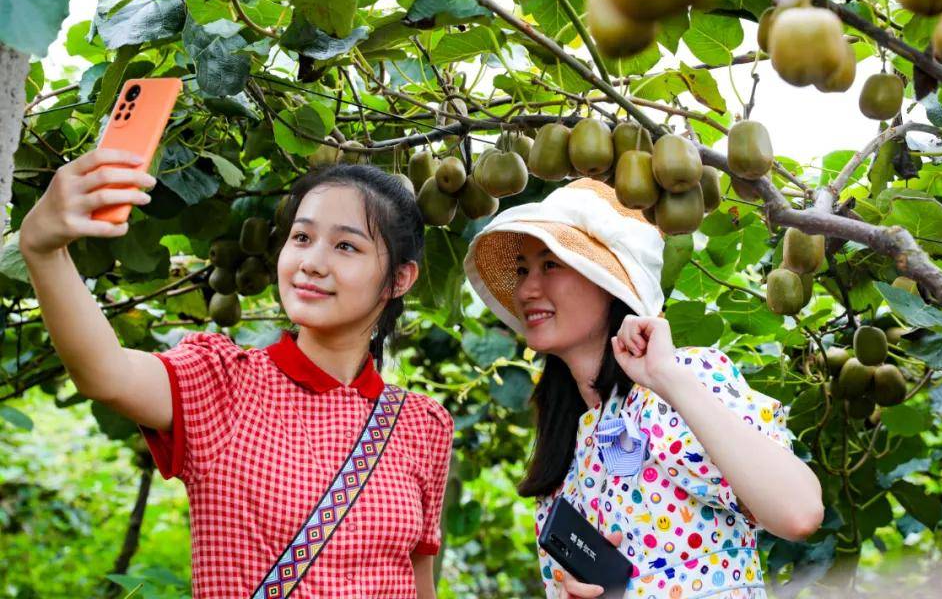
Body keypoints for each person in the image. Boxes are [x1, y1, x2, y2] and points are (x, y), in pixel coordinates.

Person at [19, 150, 453, 599]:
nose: (312, 262)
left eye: (346, 246)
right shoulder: (222, 382)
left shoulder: (423, 426)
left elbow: (419, 583)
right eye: (301, 238)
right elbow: (105, 374)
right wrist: (43, 250)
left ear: (400, 279)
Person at [464, 178, 823, 599]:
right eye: (522, 270)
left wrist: (667, 377)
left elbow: (799, 513)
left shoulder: (680, 380)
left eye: (551, 264)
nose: (526, 290)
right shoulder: (568, 442)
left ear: (610, 282)